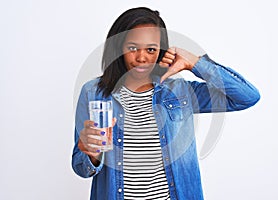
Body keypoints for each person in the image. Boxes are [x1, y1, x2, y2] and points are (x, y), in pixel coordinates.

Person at [71, 7, 260, 200]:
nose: (142, 57)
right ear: (119, 47)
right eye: (132, 48)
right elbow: (81, 168)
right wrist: (91, 154)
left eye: (151, 49)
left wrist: (195, 63)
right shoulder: (93, 92)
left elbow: (247, 96)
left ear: (161, 51)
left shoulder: (180, 91)